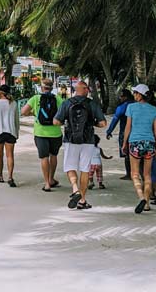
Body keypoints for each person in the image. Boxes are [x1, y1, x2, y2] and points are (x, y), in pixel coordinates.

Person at [54, 80, 106, 210]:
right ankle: (82, 200)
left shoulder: (67, 103)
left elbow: (56, 121)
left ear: (76, 90)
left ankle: (75, 189)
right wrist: (92, 123)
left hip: (71, 139)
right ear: (85, 90)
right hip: (88, 140)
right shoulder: (92, 104)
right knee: (84, 169)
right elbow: (103, 123)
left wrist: (66, 123)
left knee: (70, 167)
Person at [122, 84, 156, 214]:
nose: (134, 95)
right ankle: (147, 203)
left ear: (140, 95)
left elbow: (128, 127)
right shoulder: (153, 109)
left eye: (135, 93)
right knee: (147, 175)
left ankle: (141, 197)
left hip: (135, 143)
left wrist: (124, 143)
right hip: (149, 143)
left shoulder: (131, 107)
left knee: (134, 174)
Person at [22, 78, 64, 191]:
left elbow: (23, 112)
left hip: (41, 133)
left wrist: (34, 112)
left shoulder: (36, 98)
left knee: (44, 157)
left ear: (42, 87)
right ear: (52, 88)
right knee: (53, 156)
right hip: (55, 133)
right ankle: (51, 178)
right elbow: (64, 114)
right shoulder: (58, 99)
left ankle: (47, 184)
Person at [0, 84, 19, 187]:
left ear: (1, 93)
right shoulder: (13, 103)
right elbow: (16, 120)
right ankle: (10, 177)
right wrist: (16, 133)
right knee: (10, 155)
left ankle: (0, 176)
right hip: (11, 132)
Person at [105, 89, 131, 172]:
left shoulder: (122, 107)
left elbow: (115, 120)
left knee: (126, 152)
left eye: (121, 96)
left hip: (125, 132)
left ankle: (129, 174)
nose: (120, 98)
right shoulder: (136, 105)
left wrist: (109, 131)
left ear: (125, 97)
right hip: (137, 132)